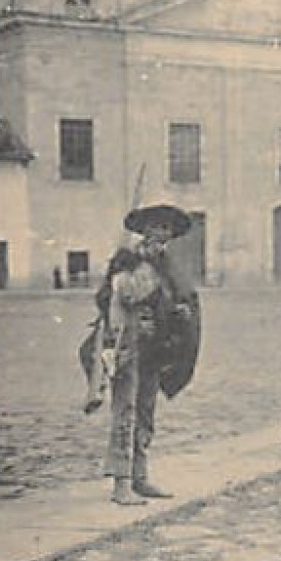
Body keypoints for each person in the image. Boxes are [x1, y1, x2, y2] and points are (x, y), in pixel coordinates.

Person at [87, 203, 202, 506]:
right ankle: (121, 482)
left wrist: (179, 313)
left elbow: (178, 299)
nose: (161, 233)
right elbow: (119, 296)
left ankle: (140, 476)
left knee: (146, 412)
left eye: (166, 228)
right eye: (155, 226)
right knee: (125, 411)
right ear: (144, 230)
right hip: (126, 345)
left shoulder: (169, 266)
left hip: (154, 349)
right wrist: (138, 270)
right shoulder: (127, 261)